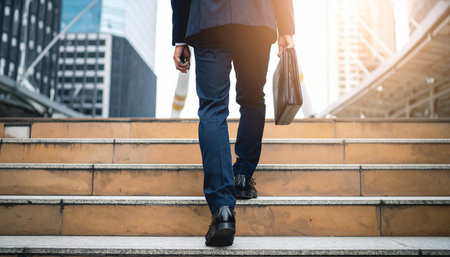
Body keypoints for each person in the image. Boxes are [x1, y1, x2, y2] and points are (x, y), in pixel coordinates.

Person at [171, 0, 295, 247]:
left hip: (208, 20)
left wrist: (180, 37)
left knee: (212, 108)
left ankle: (222, 209)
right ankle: (242, 176)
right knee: (252, 99)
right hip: (256, 17)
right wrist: (286, 28)